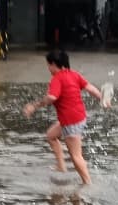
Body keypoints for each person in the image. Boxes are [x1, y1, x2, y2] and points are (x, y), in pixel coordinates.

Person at [23, 49, 106, 185]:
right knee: (51, 135)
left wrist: (34, 106)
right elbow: (90, 88)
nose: (48, 68)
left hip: (71, 121)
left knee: (76, 156)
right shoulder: (74, 74)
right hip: (79, 116)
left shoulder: (57, 79)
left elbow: (52, 97)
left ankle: (87, 183)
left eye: (48, 65)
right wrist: (102, 98)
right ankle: (61, 166)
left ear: (54, 64)